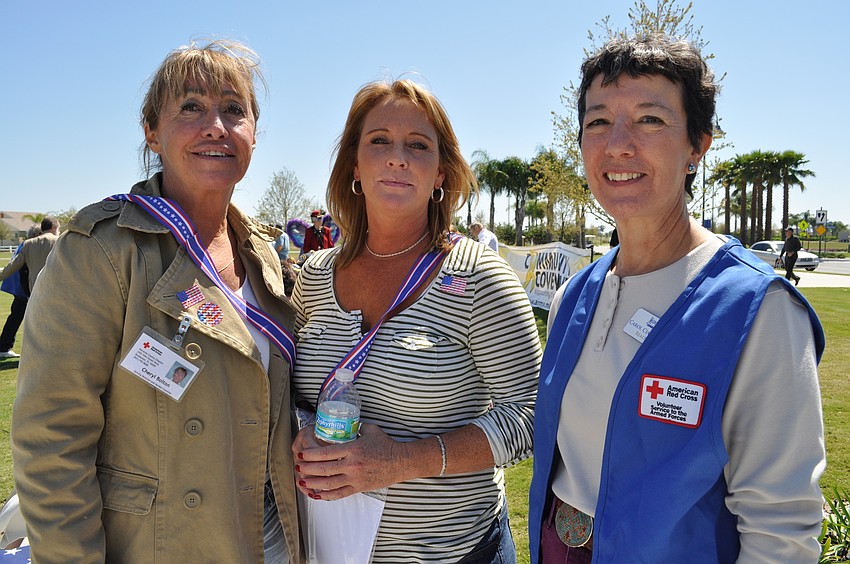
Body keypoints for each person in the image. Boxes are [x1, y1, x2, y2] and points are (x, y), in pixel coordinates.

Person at [529, 34, 825, 563]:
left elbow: (780, 529)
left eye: (650, 120)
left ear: (697, 147)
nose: (618, 143)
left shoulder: (758, 310)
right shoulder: (577, 293)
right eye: (598, 121)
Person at [11, 40, 301, 563]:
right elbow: (52, 438)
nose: (215, 125)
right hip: (162, 544)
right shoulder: (103, 249)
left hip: (269, 540)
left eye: (234, 110)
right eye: (191, 106)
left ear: (254, 134)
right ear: (152, 132)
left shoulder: (263, 253)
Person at [291, 79, 541, 563]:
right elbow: (290, 392)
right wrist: (301, 433)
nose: (398, 157)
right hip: (330, 548)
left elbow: (531, 416)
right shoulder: (315, 277)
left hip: (453, 555)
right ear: (354, 167)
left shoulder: (478, 276)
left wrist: (401, 461)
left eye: (418, 145)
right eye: (379, 140)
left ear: (441, 173)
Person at [0, 225, 40, 359]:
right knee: (19, 317)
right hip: (24, 288)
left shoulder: (25, 245)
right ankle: (5, 346)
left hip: (20, 288)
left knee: (15, 317)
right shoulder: (30, 246)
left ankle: (4, 346)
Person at [0, 216, 60, 295]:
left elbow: (12, 266)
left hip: (35, 293)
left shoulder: (28, 244)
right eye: (59, 229)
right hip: (56, 292)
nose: (59, 232)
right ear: (54, 227)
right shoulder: (60, 242)